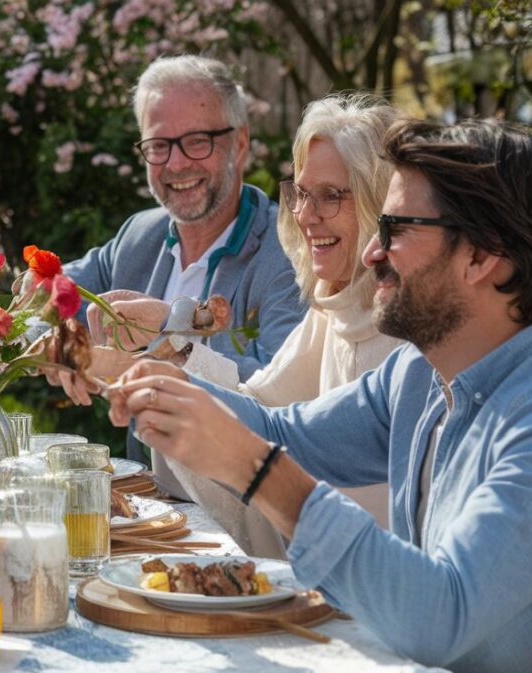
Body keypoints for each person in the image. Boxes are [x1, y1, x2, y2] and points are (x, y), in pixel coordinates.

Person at [112, 118, 532, 671]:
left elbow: (443, 615)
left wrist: (260, 471)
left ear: (482, 255)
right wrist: (135, 373)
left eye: (398, 230)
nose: (372, 254)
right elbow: (286, 433)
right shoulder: (419, 374)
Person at [153, 93, 403, 558]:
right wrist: (173, 350)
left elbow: (274, 437)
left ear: (381, 201)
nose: (305, 216)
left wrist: (170, 358)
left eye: (331, 196)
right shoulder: (334, 306)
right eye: (302, 194)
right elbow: (262, 409)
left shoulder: (410, 332)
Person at [46, 55, 305, 496]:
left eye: (198, 141)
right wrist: (64, 340)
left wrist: (170, 328)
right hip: (150, 510)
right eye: (158, 145)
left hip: (246, 520)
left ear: (240, 144)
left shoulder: (290, 252)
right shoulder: (140, 235)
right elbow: (52, 295)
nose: (176, 163)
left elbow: (282, 395)